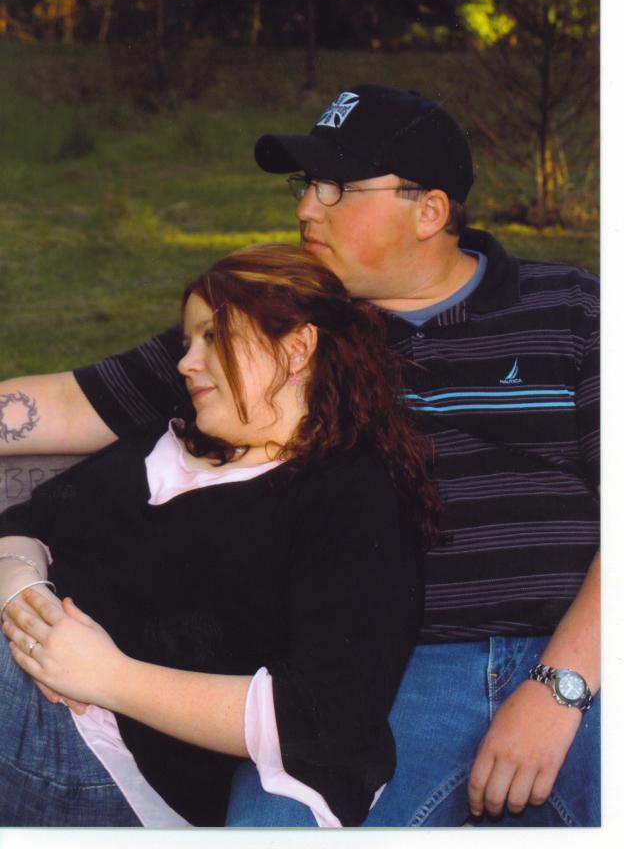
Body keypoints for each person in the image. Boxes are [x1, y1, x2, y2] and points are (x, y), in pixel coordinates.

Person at [0, 84, 599, 827]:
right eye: (306, 184)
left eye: (337, 186)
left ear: (430, 212)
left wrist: (560, 686)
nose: (307, 207)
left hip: (583, 647)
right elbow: (64, 405)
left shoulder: (572, 308)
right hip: (396, 677)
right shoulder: (274, 327)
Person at [0, 243, 439, 827]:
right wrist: (20, 590)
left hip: (112, 762)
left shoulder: (348, 498)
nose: (187, 362)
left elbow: (323, 717)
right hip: (27, 678)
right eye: (189, 342)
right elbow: (28, 521)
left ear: (298, 348)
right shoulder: (173, 442)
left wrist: (108, 677)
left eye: (214, 337)